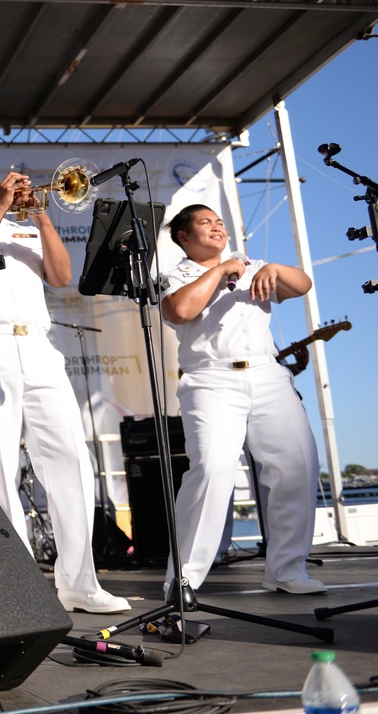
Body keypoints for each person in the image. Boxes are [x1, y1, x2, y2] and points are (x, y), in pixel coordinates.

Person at [0, 157, 130, 614]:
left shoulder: (23, 228)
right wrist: (0, 207)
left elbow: (61, 277)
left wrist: (39, 215)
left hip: (37, 346)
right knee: (0, 464)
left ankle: (81, 582)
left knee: (71, 460)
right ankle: (20, 583)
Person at [160, 204, 324, 595]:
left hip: (267, 374)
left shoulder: (253, 264)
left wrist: (275, 270)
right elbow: (180, 310)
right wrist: (218, 271)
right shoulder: (175, 274)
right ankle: (182, 580)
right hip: (212, 379)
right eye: (206, 223)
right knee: (212, 471)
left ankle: (287, 569)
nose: (217, 227)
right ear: (184, 237)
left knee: (296, 466)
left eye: (219, 222)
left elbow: (302, 285)